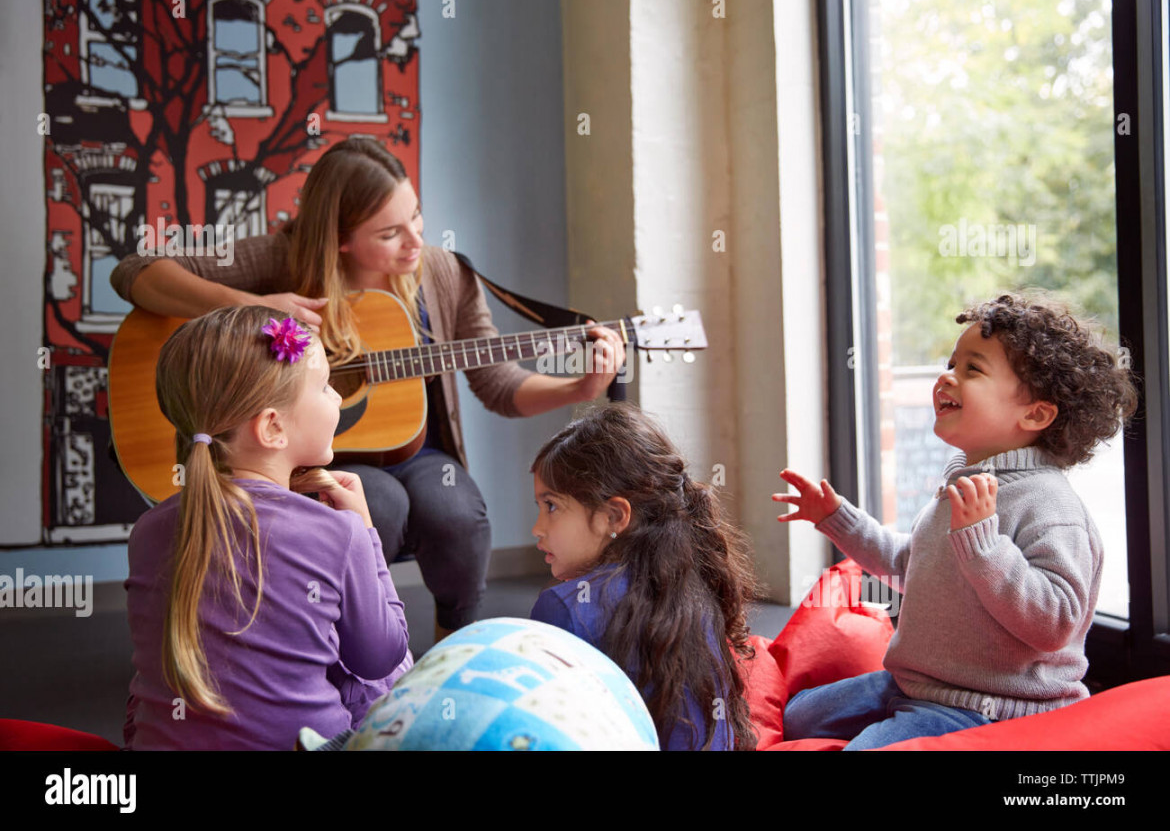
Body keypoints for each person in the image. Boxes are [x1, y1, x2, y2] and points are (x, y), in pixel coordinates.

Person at [111, 137, 626, 641]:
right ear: (340, 238)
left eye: (417, 217)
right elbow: (133, 273)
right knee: (377, 502)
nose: (416, 241)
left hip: (419, 452)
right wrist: (252, 304)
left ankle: (451, 650)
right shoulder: (283, 259)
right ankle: (343, 649)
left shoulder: (443, 275)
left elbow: (497, 384)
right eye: (389, 233)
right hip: (319, 456)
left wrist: (579, 387)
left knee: (456, 513)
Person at [774, 292, 1138, 750]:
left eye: (973, 369)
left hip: (987, 705)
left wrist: (984, 546)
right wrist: (836, 518)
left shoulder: (1050, 506)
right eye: (951, 363)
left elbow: (1055, 625)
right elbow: (908, 565)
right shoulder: (963, 484)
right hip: (914, 682)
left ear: (1036, 413)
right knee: (798, 717)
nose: (946, 377)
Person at [124, 305, 410, 750]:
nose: (337, 398)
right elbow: (380, 656)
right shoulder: (338, 532)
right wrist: (365, 532)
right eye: (325, 386)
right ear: (273, 427)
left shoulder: (147, 530)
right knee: (395, 672)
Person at [526, 403, 761, 750]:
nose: (537, 529)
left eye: (552, 507)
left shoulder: (563, 609)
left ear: (614, 516)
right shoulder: (694, 586)